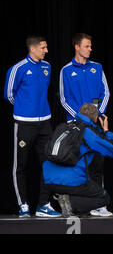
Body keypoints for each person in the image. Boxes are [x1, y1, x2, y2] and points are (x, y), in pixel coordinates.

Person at [3, 36, 61, 218]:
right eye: (43, 48)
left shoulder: (47, 67)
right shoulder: (18, 68)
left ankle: (43, 204)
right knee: (21, 166)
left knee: (49, 163)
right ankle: (24, 205)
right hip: (24, 124)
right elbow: (9, 95)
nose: (46, 51)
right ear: (33, 49)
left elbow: (45, 91)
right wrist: (24, 110)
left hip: (44, 124)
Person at [59, 33, 112, 217]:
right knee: (76, 165)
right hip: (76, 126)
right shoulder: (66, 70)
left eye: (90, 46)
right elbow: (64, 99)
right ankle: (71, 205)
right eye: (87, 46)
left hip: (96, 125)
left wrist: (96, 116)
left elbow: (106, 93)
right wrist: (81, 118)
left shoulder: (97, 68)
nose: (90, 49)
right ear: (77, 47)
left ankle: (98, 204)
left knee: (97, 164)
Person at [43, 103, 113, 217]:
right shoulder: (87, 133)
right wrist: (106, 130)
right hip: (71, 181)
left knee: (85, 186)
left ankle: (67, 201)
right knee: (103, 197)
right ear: (96, 119)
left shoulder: (62, 127)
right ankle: (71, 203)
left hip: (49, 180)